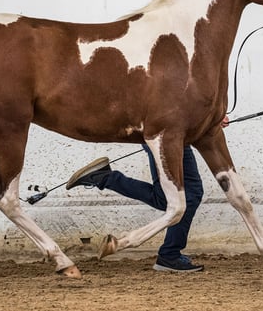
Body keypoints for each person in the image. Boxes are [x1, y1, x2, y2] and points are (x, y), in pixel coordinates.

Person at [66, 117, 229, 273]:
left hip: (169, 132)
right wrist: (208, 116)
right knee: (188, 194)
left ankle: (170, 254)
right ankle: (169, 255)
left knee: (173, 197)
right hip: (167, 133)